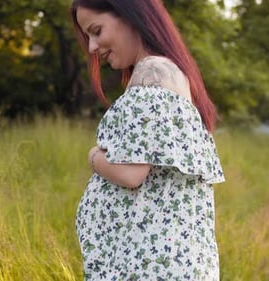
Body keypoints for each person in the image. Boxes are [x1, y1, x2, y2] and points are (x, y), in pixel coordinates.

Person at [71, 0, 225, 280]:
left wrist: (93, 157)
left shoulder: (153, 73)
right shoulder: (164, 73)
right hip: (162, 262)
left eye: (96, 30)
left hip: (155, 266)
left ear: (131, 15)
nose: (92, 47)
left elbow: (131, 173)